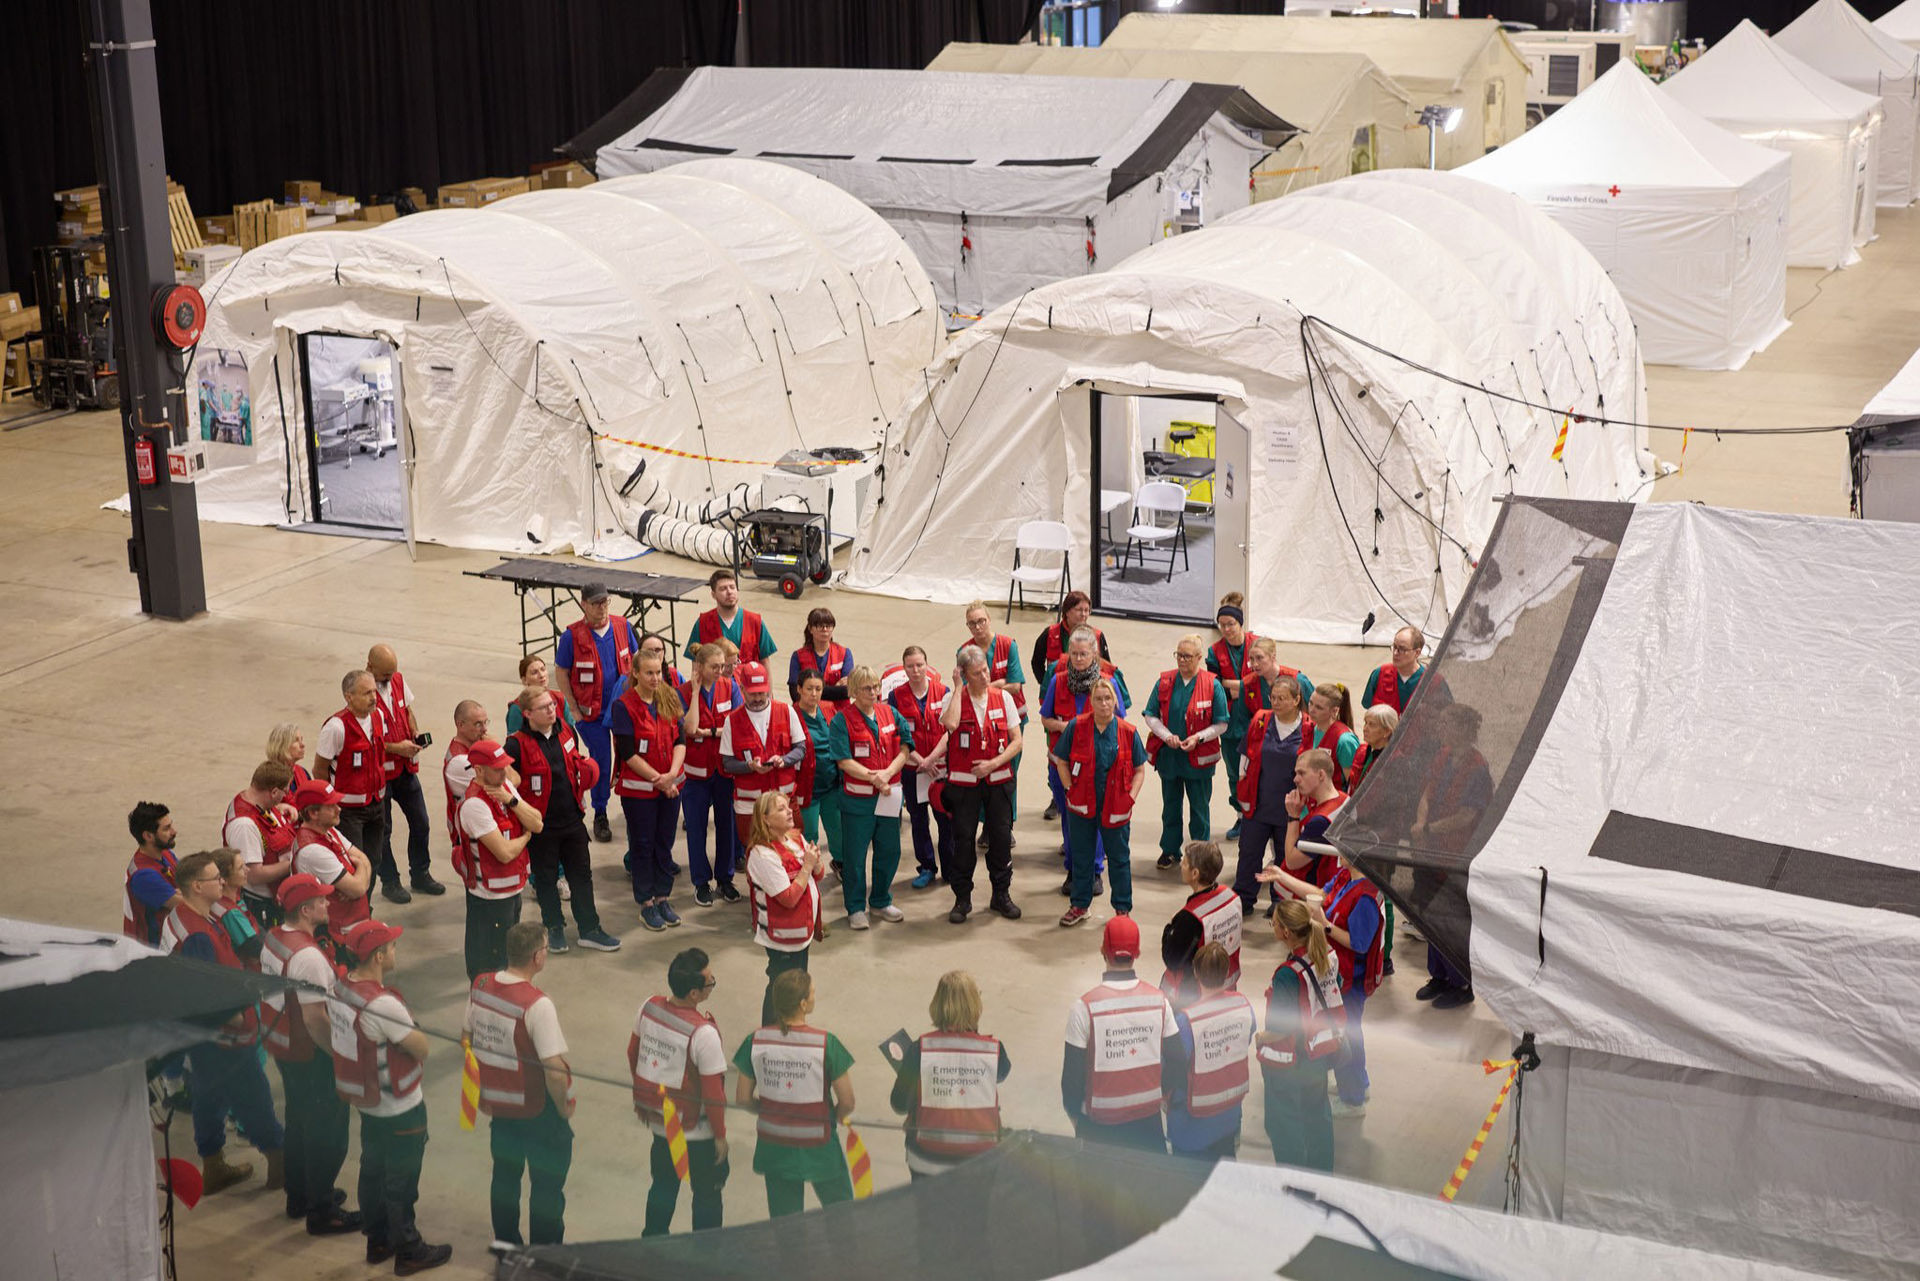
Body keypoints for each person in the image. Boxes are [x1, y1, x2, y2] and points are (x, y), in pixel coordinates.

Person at [328, 919, 453, 1274]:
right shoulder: (383, 1005)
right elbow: (421, 1048)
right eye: (392, 946)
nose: (396, 950)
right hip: (400, 1107)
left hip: (367, 1102)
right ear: (379, 956)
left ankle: (378, 1238)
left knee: (372, 1170)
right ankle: (409, 1249)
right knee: (401, 1180)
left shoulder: (340, 988)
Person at [163, 850, 285, 1195]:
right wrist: (237, 1017)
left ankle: (213, 1164)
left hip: (203, 1036)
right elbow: (204, 995)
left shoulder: (183, 917)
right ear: (198, 886)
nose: (222, 881)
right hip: (225, 1037)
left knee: (208, 1094)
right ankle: (280, 1163)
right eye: (216, 877)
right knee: (256, 1097)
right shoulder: (198, 934)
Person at [1258, 786, 1380, 1120]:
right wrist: (1282, 875)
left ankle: (1354, 1096)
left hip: (1351, 980)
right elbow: (1319, 894)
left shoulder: (1366, 896)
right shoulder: (1346, 876)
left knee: (1347, 1031)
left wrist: (1324, 926)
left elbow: (1359, 943)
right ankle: (1354, 1081)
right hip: (1336, 972)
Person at [259, 873, 362, 1235]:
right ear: (305, 909)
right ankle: (322, 1211)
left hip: (283, 1044)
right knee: (328, 1132)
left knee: (300, 1119)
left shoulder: (274, 937)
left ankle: (299, 1195)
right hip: (310, 1051)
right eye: (321, 900)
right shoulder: (309, 958)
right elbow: (316, 1018)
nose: (327, 903)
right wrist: (340, 1057)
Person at [465, 920, 576, 1250]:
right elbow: (554, 1070)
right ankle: (545, 1254)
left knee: (505, 1179)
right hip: (538, 1110)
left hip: (500, 1107)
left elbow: (466, 1037)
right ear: (538, 957)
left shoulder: (481, 984)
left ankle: (506, 1246)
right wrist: (564, 1107)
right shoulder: (537, 1005)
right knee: (546, 1186)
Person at [733, 969, 856, 1218]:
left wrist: (768, 1110)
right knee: (840, 1211)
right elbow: (847, 1101)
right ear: (802, 1004)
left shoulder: (754, 1041)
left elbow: (743, 1098)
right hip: (819, 1146)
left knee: (785, 1221)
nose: (814, 996)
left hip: (774, 1145)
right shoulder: (826, 1043)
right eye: (812, 993)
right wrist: (835, 1117)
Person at [507, 688, 620, 954]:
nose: (551, 710)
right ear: (527, 714)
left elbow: (575, 765)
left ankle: (589, 929)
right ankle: (554, 928)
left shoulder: (567, 731)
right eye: (544, 707)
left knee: (582, 876)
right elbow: (508, 784)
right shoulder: (515, 744)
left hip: (572, 820)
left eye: (551, 705)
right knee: (545, 879)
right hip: (542, 826)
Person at [633, 947, 731, 1236]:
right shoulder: (704, 1035)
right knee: (707, 1196)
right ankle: (706, 1258)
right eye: (710, 982)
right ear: (694, 994)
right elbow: (714, 1093)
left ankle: (652, 1245)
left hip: (661, 1126)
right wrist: (721, 1135)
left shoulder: (647, 1008)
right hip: (697, 1134)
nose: (713, 984)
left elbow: (633, 1054)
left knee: (662, 1187)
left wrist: (641, 1102)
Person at [1062, 917, 1180, 1154]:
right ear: (1137, 953)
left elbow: (1071, 1080)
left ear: (1102, 950)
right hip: (1148, 1126)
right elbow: (1178, 1060)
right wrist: (1158, 1093)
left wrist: (1077, 1120)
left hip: (1098, 1129)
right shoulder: (1160, 1002)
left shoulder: (1083, 1008)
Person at [887, 970, 1011, 1177]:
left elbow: (899, 1104)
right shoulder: (994, 1051)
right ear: (976, 1007)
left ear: (937, 1004)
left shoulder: (919, 1050)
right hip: (980, 1162)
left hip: (927, 1160)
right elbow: (1001, 1074)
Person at [1411, 703, 1492, 1010]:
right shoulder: (1442, 756)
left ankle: (1461, 982)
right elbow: (1427, 794)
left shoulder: (1477, 768)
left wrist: (1429, 828)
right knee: (1431, 914)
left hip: (1457, 854)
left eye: (1446, 724)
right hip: (1431, 849)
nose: (1440, 728)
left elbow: (1468, 815)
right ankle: (1440, 976)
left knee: (1453, 919)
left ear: (1463, 729)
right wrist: (1421, 824)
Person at [1039, 627, 1130, 892]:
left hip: (1099, 766)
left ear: (1094, 654)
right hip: (1064, 764)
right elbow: (1045, 718)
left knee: (1097, 817)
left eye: (1084, 654)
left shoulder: (1107, 684)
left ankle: (1094, 871)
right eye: (1074, 654)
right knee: (1070, 818)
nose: (1078, 659)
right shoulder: (1058, 681)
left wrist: (1084, 727)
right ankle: (1074, 870)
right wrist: (1066, 727)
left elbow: (1121, 722)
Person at [939, 645, 1024, 925]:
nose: (985, 677)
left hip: (998, 783)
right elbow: (949, 724)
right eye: (977, 673)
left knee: (1000, 840)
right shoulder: (954, 699)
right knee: (963, 842)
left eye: (986, 670)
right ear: (963, 674)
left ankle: (1001, 895)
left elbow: (1016, 740)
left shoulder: (1003, 699)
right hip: (964, 788)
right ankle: (962, 899)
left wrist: (992, 764)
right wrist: (956, 688)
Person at [1050, 677, 1144, 927]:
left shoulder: (1128, 732)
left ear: (1116, 701)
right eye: (1098, 699)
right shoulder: (1076, 727)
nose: (1104, 704)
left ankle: (1122, 910)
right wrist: (1070, 789)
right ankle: (1080, 905)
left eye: (1108, 698)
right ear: (1090, 702)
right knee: (1082, 857)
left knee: (1119, 858)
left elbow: (1139, 769)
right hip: (1082, 806)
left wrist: (1130, 798)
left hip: (1116, 808)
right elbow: (1061, 761)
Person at [1257, 899, 1342, 1171]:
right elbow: (1336, 986)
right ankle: (1321, 1172)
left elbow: (1281, 1026)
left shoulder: (1287, 975)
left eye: (1275, 924)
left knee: (1284, 1124)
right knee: (1318, 1115)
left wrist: (1261, 1038)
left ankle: (1292, 1179)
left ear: (1286, 933)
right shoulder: (1327, 954)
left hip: (1292, 1060)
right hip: (1318, 1052)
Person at [453, 739, 542, 980]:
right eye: (497, 768)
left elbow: (537, 822)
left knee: (507, 960)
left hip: (513, 892)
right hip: (489, 900)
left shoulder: (504, 789)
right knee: (489, 965)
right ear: (479, 770)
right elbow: (503, 852)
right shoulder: (474, 805)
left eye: (505, 766)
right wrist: (525, 837)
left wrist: (511, 801)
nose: (504, 772)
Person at [829, 665, 910, 929]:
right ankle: (855, 907)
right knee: (855, 857)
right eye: (867, 688)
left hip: (889, 797)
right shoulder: (842, 720)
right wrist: (873, 777)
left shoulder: (890, 713)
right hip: (858, 802)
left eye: (876, 687)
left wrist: (888, 772)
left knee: (889, 850)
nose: (874, 692)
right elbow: (843, 760)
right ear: (853, 691)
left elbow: (905, 747)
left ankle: (880, 900)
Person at [719, 660, 807, 902]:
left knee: (791, 850)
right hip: (750, 806)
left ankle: (791, 897)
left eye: (762, 693)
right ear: (742, 690)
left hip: (784, 803)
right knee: (756, 855)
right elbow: (727, 763)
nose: (758, 698)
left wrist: (785, 759)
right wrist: (749, 767)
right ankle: (760, 904)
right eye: (752, 693)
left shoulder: (786, 711)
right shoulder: (732, 721)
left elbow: (801, 748)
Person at [556, 581, 636, 844]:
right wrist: (574, 710)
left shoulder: (623, 627)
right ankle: (600, 812)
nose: (602, 608)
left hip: (624, 710)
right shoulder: (571, 637)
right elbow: (562, 672)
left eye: (605, 602)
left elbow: (637, 660)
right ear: (584, 605)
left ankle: (632, 805)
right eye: (596, 603)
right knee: (601, 760)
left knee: (629, 756)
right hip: (592, 715)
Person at [613, 649, 688, 932]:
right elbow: (629, 753)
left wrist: (671, 776)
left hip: (670, 787)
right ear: (635, 674)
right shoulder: (624, 706)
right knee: (643, 846)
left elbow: (680, 740)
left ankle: (662, 896)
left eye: (658, 672)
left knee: (664, 844)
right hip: (640, 793)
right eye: (649, 673)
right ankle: (646, 902)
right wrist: (661, 779)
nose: (656, 678)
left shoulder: (669, 696)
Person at [1143, 635, 1229, 871]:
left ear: (1200, 658)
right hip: (1170, 757)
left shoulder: (1213, 685)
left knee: (1199, 810)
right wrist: (1166, 736)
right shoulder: (1164, 682)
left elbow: (1222, 723)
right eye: (1178, 655)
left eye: (1187, 656)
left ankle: (1200, 855)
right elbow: (1151, 715)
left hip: (1198, 761)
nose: (1181, 660)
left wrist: (1198, 737)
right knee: (1170, 806)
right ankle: (1170, 851)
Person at [1165, 942, 1254, 1161]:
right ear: (1226, 973)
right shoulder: (1243, 1005)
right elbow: (1247, 1037)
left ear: (1195, 972)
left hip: (1191, 1123)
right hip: (1228, 1115)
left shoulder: (1187, 1021)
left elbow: (1173, 1067)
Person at [743, 792, 826, 1025]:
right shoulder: (762, 855)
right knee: (779, 988)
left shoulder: (794, 838)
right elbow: (788, 898)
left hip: (801, 933)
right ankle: (770, 1035)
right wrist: (807, 865)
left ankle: (789, 1030)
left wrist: (815, 862)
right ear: (765, 819)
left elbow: (818, 875)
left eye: (788, 806)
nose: (790, 810)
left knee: (796, 986)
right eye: (781, 809)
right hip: (782, 937)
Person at [1232, 673, 1308, 915]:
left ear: (1296, 700)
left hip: (1288, 810)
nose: (1276, 703)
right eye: (1273, 697)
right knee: (1249, 853)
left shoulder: (1307, 728)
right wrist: (1242, 787)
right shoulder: (1261, 720)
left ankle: (1280, 901)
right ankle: (1243, 898)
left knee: (1285, 858)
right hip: (1258, 805)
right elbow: (1245, 758)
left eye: (1282, 698)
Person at [315, 669, 394, 901]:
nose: (373, 697)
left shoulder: (378, 717)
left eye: (374, 692)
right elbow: (320, 769)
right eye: (366, 693)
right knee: (353, 866)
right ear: (348, 697)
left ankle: (364, 906)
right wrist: (327, 808)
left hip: (377, 805)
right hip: (348, 812)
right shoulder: (336, 727)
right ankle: (352, 913)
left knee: (374, 861)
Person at [368, 644, 440, 901]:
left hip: (405, 770)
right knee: (383, 832)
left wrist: (415, 733)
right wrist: (397, 748)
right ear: (370, 667)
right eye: (384, 674)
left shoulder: (397, 680)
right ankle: (390, 881)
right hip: (381, 776)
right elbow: (368, 740)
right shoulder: (363, 694)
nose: (389, 678)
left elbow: (407, 710)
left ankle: (420, 874)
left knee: (421, 823)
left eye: (392, 672)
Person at [1031, 591, 1108, 822]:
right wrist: (1049, 686)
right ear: (1066, 612)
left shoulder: (1097, 635)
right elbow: (1036, 662)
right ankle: (1057, 797)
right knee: (1056, 751)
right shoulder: (1050, 634)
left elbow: (1106, 665)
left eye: (1087, 610)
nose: (1084, 614)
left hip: (1086, 700)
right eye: (1079, 610)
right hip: (1059, 703)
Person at [679, 642, 740, 926]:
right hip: (695, 776)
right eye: (714, 667)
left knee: (727, 827)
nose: (719, 672)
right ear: (699, 667)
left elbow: (737, 725)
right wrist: (693, 692)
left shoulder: (730, 687)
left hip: (723, 772)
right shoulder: (682, 693)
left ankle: (725, 878)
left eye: (722, 667)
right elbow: (690, 729)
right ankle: (701, 881)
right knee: (696, 828)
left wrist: (711, 731)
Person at [960, 600, 1028, 834]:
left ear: (989, 620)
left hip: (1010, 720)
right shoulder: (965, 651)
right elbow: (968, 688)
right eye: (972, 623)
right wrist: (1000, 684)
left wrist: (991, 687)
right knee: (981, 773)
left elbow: (1017, 685)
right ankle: (987, 824)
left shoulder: (1008, 646)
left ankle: (1004, 826)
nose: (978, 627)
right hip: (979, 722)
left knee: (1006, 773)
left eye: (981, 621)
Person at [891, 646, 952, 890]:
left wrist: (931, 759)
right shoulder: (896, 697)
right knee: (918, 819)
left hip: (939, 768)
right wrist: (920, 761)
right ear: (904, 668)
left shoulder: (944, 692)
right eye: (910, 666)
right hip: (913, 769)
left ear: (927, 665)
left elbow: (950, 730)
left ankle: (950, 867)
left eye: (919, 665)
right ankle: (926, 866)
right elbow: (897, 735)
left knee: (945, 819)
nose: (915, 670)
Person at [1159, 841, 1242, 1009]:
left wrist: (1170, 928)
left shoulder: (1190, 918)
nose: (1181, 865)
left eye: (1185, 863)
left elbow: (1172, 959)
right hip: (1226, 986)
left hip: (1195, 998)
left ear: (1195, 873)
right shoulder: (1232, 897)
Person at [291, 780, 376, 945]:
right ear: (313, 813)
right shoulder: (313, 851)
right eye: (331, 806)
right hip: (339, 937)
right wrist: (359, 870)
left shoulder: (328, 830)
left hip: (353, 925)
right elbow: (358, 887)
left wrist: (358, 878)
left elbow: (366, 860)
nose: (339, 809)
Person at [1350, 704, 1400, 975]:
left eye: (1371, 725)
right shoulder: (1364, 751)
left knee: (1383, 897)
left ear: (1387, 731)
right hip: (1357, 833)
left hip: (1381, 837)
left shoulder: (1397, 762)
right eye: (1365, 722)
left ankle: (1385, 955)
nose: (1364, 728)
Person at [224, 760, 298, 926]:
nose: (285, 795)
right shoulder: (244, 826)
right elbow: (254, 875)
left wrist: (280, 808)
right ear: (273, 792)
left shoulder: (257, 802)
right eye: (284, 791)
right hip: (263, 906)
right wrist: (294, 862)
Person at [1208, 593, 1254, 841]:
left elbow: (1265, 681)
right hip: (1229, 724)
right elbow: (1216, 686)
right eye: (1222, 625)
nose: (1226, 629)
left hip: (1254, 721)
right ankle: (1240, 817)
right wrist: (1245, 685)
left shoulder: (1257, 645)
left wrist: (1236, 685)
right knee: (1234, 774)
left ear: (1240, 623)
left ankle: (1255, 818)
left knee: (1256, 773)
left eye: (1230, 624)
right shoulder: (1214, 652)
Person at [792, 670, 842, 864]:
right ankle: (808, 870)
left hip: (831, 785)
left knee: (838, 830)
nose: (814, 693)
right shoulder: (790, 715)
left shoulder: (829, 709)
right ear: (799, 689)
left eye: (818, 689)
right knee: (809, 833)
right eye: (809, 689)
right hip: (807, 789)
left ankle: (840, 862)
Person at [685, 567, 778, 665]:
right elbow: (696, 664)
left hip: (746, 680)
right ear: (713, 595)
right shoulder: (703, 623)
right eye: (723, 589)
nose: (729, 592)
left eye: (732, 587)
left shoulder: (755, 622)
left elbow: (765, 661)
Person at [124, 800, 181, 945]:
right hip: (153, 950)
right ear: (148, 836)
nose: (174, 832)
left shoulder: (165, 853)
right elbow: (189, 904)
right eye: (167, 828)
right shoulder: (143, 876)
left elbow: (188, 880)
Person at [787, 606, 851, 718]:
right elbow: (795, 693)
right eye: (820, 626)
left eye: (829, 626)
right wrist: (835, 689)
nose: (825, 629)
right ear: (811, 629)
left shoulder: (844, 653)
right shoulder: (798, 656)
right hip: (808, 714)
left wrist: (810, 690)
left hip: (839, 715)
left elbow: (847, 691)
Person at [1305, 683, 1360, 790]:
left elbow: (1353, 785)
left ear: (1334, 711)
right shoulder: (1309, 728)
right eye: (1310, 703)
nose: (1311, 710)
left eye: (1319, 707)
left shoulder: (1345, 741)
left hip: (1333, 803)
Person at [1362, 626, 1426, 713]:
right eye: (1394, 647)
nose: (1395, 653)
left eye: (1402, 649)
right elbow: (1369, 710)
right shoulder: (1379, 674)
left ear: (1417, 653)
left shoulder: (1430, 681)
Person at [505, 655, 573, 736]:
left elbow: (570, 732)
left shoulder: (560, 699)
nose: (541, 675)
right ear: (524, 680)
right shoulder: (517, 708)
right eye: (534, 672)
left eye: (543, 669)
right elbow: (513, 741)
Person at [268, 722, 314, 791]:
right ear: (282, 745)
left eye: (301, 739)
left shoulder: (303, 772)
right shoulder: (268, 776)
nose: (302, 745)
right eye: (296, 740)